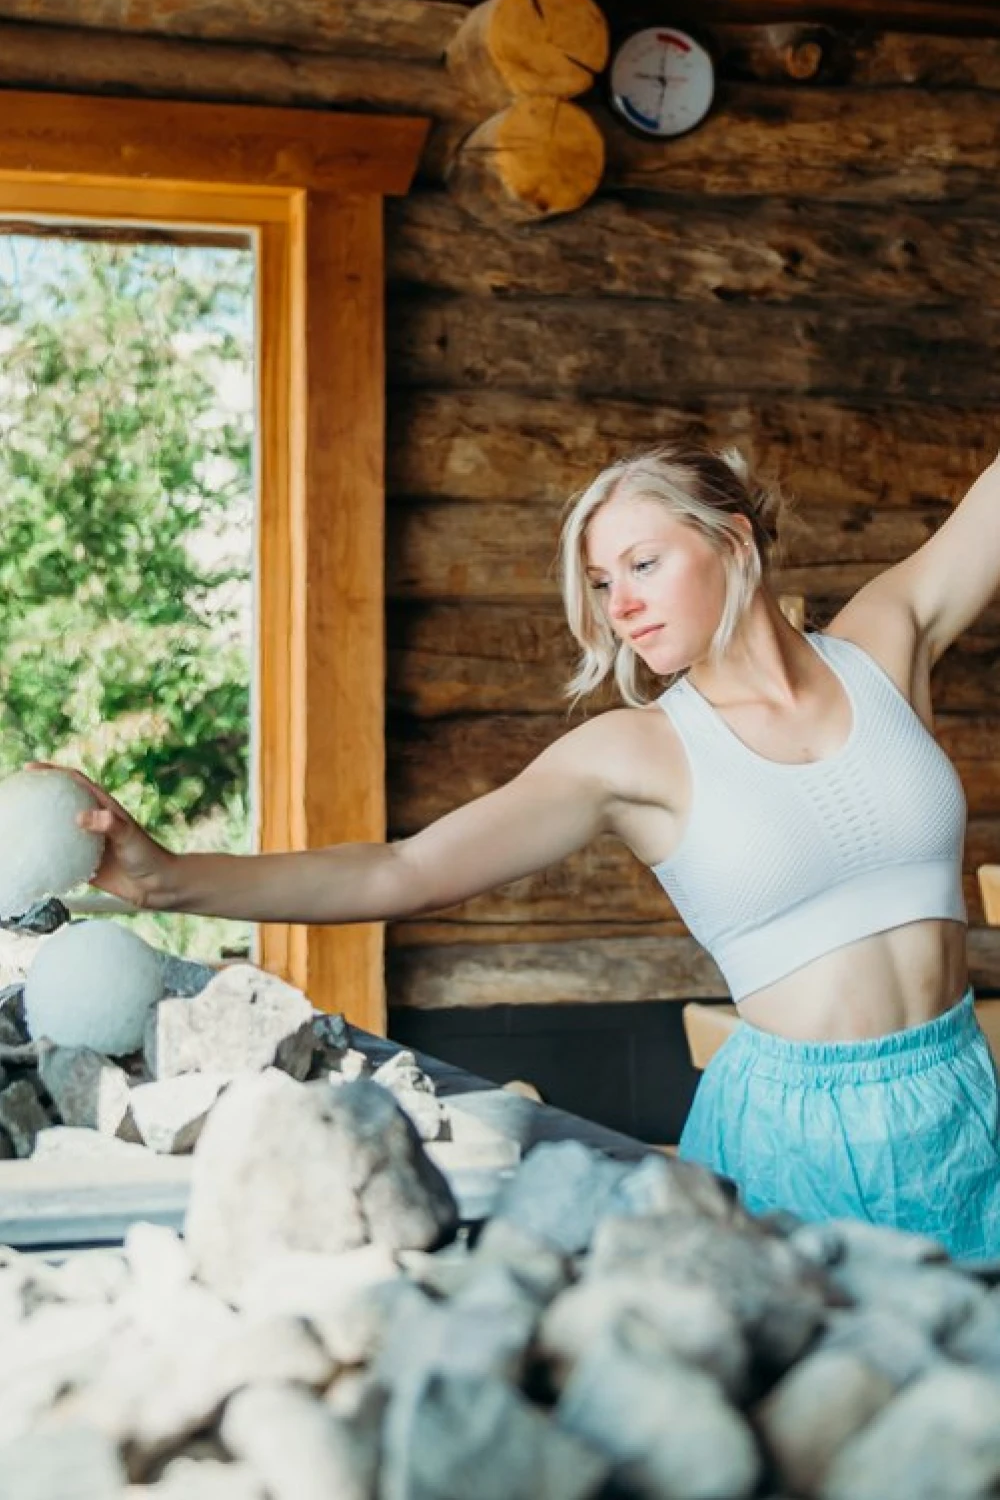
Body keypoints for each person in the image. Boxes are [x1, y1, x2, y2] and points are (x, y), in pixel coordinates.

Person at [43, 441, 1000, 1257]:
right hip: (794, 1135)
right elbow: (403, 869)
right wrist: (170, 878)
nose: (618, 604)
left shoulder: (887, 640)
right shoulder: (637, 752)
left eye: (642, 564)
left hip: (963, 1102)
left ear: (732, 539)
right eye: (599, 581)